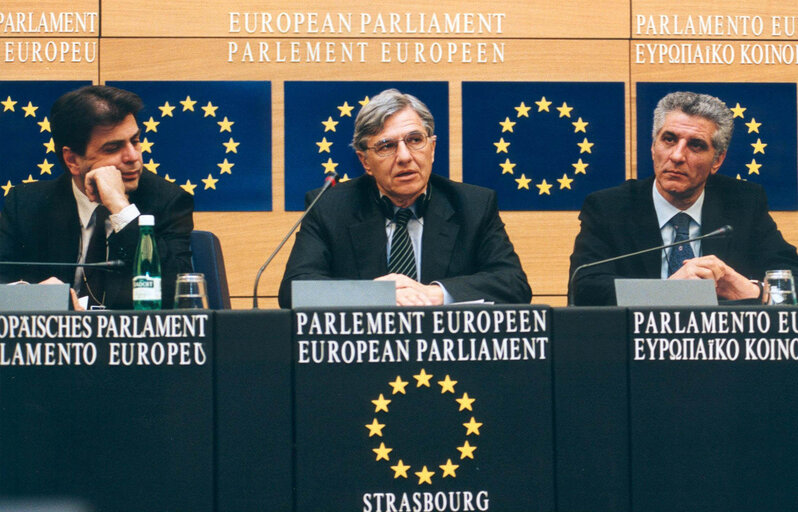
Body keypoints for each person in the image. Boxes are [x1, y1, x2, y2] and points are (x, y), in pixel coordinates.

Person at [279, 88, 531, 308]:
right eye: (387, 146)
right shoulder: (329, 207)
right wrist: (374, 295)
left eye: (414, 140)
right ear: (364, 161)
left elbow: (513, 284)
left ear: (432, 149)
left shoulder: (473, 205)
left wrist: (433, 293)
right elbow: (294, 290)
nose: (404, 157)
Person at [569, 91, 798, 306]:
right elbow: (586, 288)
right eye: (669, 140)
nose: (677, 156)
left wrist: (753, 290)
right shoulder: (609, 208)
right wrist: (669, 291)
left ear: (717, 160)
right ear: (653, 147)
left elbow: (790, 276)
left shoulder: (743, 203)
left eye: (695, 145)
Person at [0, 85, 194, 309]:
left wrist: (122, 209)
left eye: (135, 140)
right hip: (52, 338)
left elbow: (178, 295)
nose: (133, 156)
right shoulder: (26, 204)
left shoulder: (168, 200)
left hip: (132, 340)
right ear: (72, 160)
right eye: (113, 148)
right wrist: (34, 295)